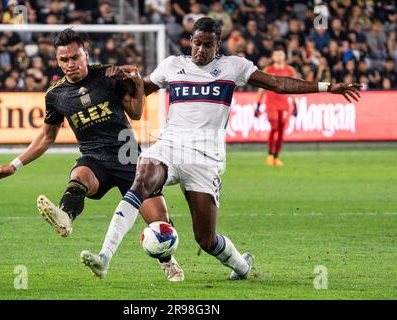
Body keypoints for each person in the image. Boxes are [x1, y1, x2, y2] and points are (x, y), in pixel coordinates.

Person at [80, 17, 361, 281]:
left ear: (218, 46)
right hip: (170, 146)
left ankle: (241, 265)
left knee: (206, 238)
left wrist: (328, 87)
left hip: (205, 157)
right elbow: (140, 90)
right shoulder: (172, 65)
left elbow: (278, 83)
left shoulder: (233, 66)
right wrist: (117, 81)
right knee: (140, 180)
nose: (200, 50)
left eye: (207, 45)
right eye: (196, 43)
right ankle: (104, 256)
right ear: (190, 41)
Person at [0, 28, 184, 282]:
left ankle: (168, 263)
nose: (70, 65)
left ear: (85, 55)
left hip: (128, 158)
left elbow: (135, 113)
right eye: (64, 60)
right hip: (94, 159)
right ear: (57, 61)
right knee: (79, 175)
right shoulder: (55, 96)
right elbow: (47, 136)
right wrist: (14, 165)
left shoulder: (108, 75)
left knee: (159, 224)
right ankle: (65, 217)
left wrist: (134, 81)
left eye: (75, 58)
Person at [255, 47, 298, 167]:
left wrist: (295, 104)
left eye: (281, 54)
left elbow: (293, 88)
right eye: (276, 54)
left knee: (281, 131)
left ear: (284, 56)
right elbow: (261, 88)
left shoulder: (290, 70)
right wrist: (258, 104)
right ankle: (269, 155)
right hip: (271, 104)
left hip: (284, 105)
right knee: (274, 128)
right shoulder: (268, 70)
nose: (279, 56)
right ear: (273, 57)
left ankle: (275, 157)